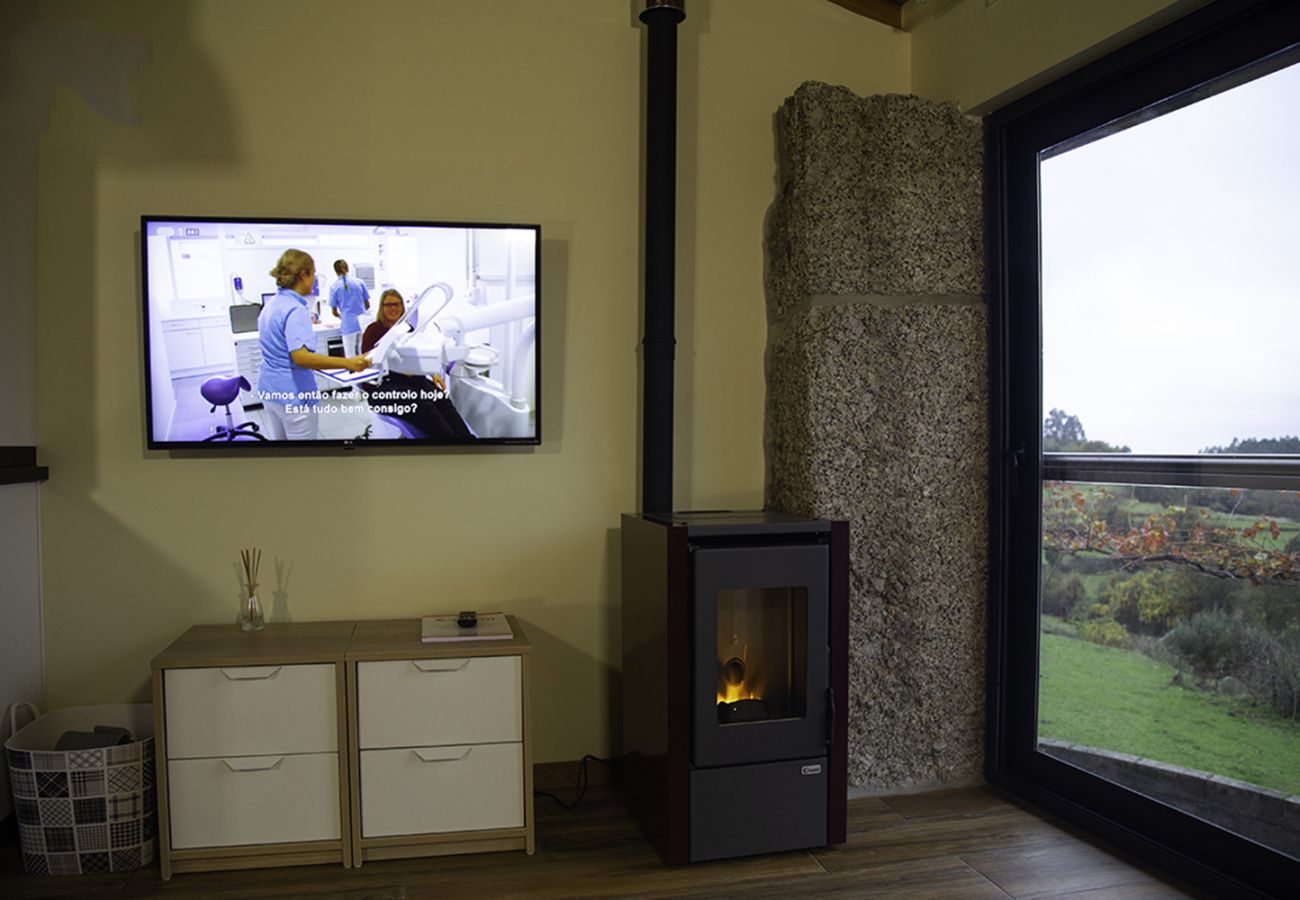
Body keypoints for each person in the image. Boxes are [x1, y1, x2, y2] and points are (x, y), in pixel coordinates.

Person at [257, 249, 371, 440]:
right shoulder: (296, 309)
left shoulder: (271, 305)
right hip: (293, 394)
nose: (315, 280)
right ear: (303, 274)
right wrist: (348, 363)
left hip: (270, 390)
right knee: (303, 460)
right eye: (314, 274)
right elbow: (301, 357)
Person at [360, 288, 474, 440]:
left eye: (397, 304)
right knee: (423, 405)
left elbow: (417, 355)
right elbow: (368, 365)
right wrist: (400, 370)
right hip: (382, 387)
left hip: (411, 381)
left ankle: (468, 441)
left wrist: (432, 374)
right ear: (382, 307)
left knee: (440, 398)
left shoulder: (409, 330)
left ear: (403, 307)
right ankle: (450, 443)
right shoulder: (374, 331)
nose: (393, 308)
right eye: (388, 305)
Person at [329, 259, 371, 357]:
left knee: (350, 355)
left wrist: (342, 317)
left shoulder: (334, 287)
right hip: (363, 323)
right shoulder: (360, 282)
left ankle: (352, 372)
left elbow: (334, 312)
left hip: (348, 325)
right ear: (348, 268)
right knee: (364, 353)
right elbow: (368, 305)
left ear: (335, 271)